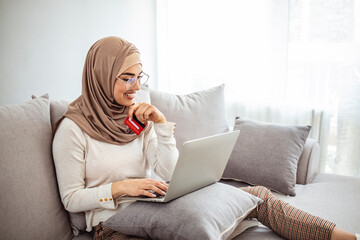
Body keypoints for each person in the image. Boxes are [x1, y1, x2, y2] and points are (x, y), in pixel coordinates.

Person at [52, 36, 358, 240]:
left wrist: (160, 125)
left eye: (140, 76)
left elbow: (168, 174)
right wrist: (122, 188)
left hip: (156, 204)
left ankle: (341, 236)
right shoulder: (73, 130)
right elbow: (71, 199)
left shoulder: (133, 116)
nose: (135, 87)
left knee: (256, 196)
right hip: (112, 222)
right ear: (101, 76)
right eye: (126, 77)